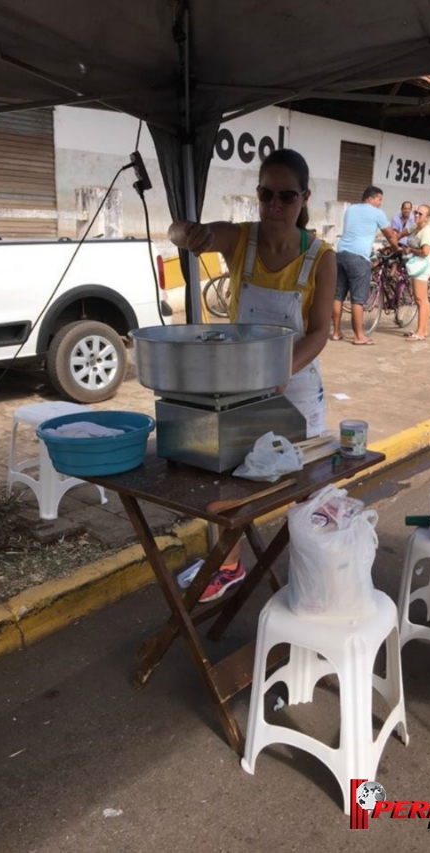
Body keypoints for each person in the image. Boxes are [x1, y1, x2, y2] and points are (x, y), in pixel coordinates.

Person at [168, 148, 336, 601]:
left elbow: (320, 332)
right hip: (240, 383)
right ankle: (227, 564)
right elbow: (181, 233)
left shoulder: (321, 257)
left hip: (295, 382)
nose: (275, 207)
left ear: (304, 198)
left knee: (307, 488)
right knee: (225, 477)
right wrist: (187, 232)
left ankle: (317, 582)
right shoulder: (241, 239)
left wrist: (280, 370)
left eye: (286, 196)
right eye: (266, 195)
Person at [331, 186, 401, 345]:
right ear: (370, 199)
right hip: (358, 257)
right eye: (379, 199)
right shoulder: (377, 213)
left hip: (340, 254)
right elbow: (390, 235)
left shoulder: (350, 209)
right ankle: (359, 336)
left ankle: (336, 332)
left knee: (338, 295)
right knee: (358, 299)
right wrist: (397, 248)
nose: (380, 203)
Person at [395, 203, 430, 342]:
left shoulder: (425, 231)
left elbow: (425, 252)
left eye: (420, 214)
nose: (416, 215)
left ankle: (420, 333)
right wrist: (392, 242)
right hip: (417, 265)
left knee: (420, 300)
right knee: (423, 299)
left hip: (422, 267)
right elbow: (401, 233)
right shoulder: (415, 226)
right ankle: (423, 330)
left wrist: (411, 250)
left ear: (427, 218)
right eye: (416, 212)